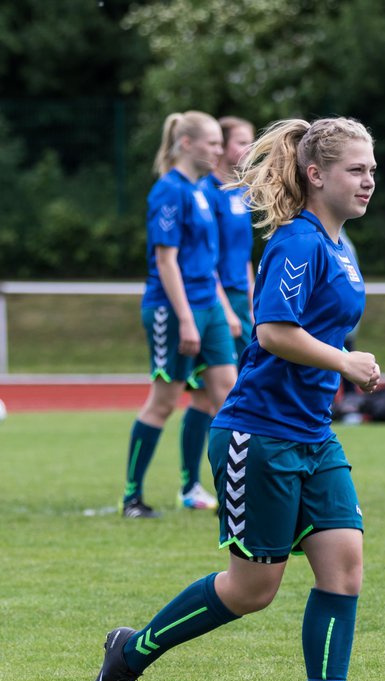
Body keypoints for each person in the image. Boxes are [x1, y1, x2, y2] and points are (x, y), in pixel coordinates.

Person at [93, 117, 385, 681]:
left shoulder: (342, 247)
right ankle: (132, 652)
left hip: (313, 437)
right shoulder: (299, 242)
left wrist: (342, 362)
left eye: (372, 169)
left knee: (344, 569)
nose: (370, 179)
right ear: (317, 176)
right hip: (257, 437)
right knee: (251, 590)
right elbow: (274, 332)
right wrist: (345, 361)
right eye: (356, 169)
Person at [119, 111, 238, 518]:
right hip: (173, 309)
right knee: (164, 401)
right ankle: (132, 496)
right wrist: (186, 319)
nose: (219, 151)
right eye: (213, 144)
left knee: (228, 395)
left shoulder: (205, 188)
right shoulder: (168, 191)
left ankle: (228, 494)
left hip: (209, 305)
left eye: (222, 144)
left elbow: (208, 261)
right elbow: (166, 262)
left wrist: (223, 309)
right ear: (187, 144)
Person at [202, 116, 256, 357]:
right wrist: (225, 309)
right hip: (217, 297)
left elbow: (244, 253)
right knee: (223, 384)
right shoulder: (206, 191)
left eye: (251, 142)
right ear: (222, 145)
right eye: (242, 142)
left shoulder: (241, 191)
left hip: (240, 295)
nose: (250, 149)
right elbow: (205, 257)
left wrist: (254, 300)